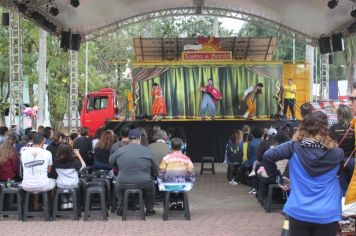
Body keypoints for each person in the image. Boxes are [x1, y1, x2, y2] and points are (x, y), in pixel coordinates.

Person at [258, 111, 344, 236]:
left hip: (299, 211)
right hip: (327, 212)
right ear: (326, 129)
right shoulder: (338, 153)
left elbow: (267, 156)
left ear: (303, 127)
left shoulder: (293, 148)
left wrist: (279, 179)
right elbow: (339, 172)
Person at [109, 128, 159, 216]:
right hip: (143, 182)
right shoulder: (147, 150)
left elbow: (111, 161)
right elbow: (156, 169)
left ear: (128, 139)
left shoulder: (120, 150)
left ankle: (121, 207)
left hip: (123, 182)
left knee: (118, 186)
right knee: (151, 186)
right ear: (139, 139)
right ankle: (149, 209)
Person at [159, 137, 196, 209]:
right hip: (183, 185)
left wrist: (160, 182)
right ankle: (181, 203)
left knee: (165, 184)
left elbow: (161, 173)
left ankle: (170, 203)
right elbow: (192, 173)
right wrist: (190, 183)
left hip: (168, 185)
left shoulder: (165, 158)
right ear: (182, 147)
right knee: (182, 185)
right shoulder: (186, 159)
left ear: (170, 146)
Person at [330, 105, 355, 195]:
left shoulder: (333, 128)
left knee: (342, 189)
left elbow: (330, 146)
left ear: (338, 115)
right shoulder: (354, 127)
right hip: (353, 160)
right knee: (353, 190)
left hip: (339, 162)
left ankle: (344, 207)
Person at [54, 143, 86, 209]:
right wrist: (78, 154)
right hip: (73, 184)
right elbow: (84, 166)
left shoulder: (56, 162)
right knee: (78, 184)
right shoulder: (75, 161)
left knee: (59, 186)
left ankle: (64, 200)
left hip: (60, 184)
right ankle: (71, 200)